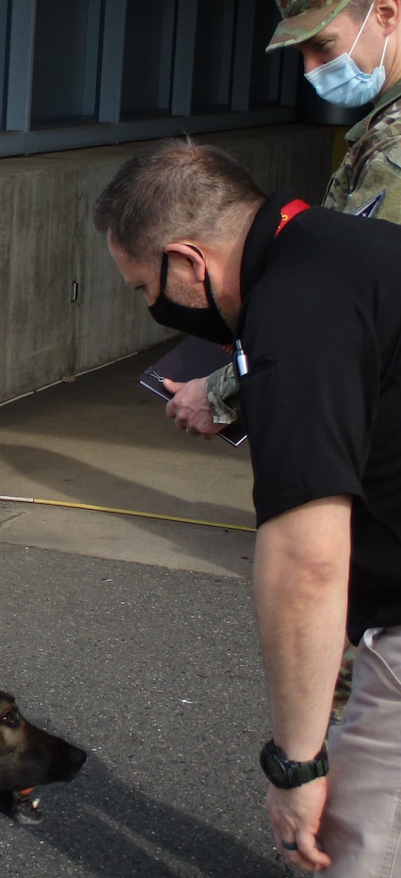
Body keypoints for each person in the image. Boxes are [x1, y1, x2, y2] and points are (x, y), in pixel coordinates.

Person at [93, 140, 401, 876]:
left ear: (189, 262)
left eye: (145, 288)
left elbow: (306, 560)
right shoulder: (356, 247)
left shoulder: (295, 312)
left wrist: (296, 767)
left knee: (352, 853)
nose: (153, 307)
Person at [164, 0, 401, 439]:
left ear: (385, 13)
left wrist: (225, 391)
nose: (313, 69)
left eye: (324, 46)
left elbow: (346, 305)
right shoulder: (381, 128)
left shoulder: (393, 149)